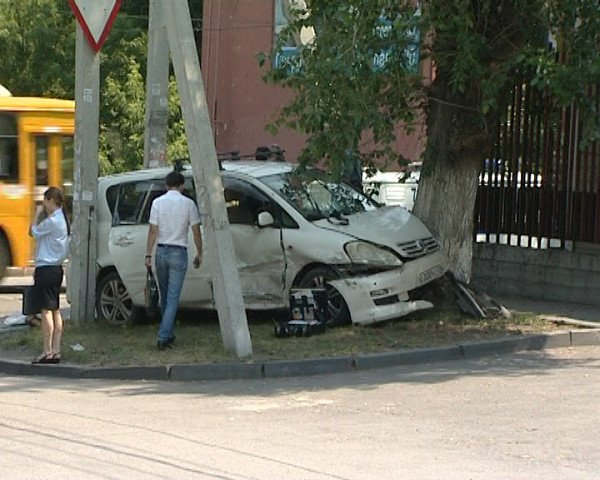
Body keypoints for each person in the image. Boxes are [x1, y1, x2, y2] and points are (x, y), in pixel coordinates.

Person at [145, 171, 203, 350]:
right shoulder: (189, 204)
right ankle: (163, 336)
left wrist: (148, 253)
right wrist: (200, 253)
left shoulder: (157, 203)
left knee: (164, 295)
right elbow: (195, 231)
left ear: (166, 185)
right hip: (179, 251)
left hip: (161, 251)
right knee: (173, 297)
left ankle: (168, 333)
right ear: (182, 186)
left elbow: (153, 230)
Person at [29, 187, 70, 364]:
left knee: (46, 311)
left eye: (45, 202)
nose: (44, 205)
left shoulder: (52, 221)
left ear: (52, 201)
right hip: (57, 269)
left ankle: (47, 351)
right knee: (55, 309)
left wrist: (37, 213)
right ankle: (57, 350)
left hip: (45, 269)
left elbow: (32, 231)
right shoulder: (63, 219)